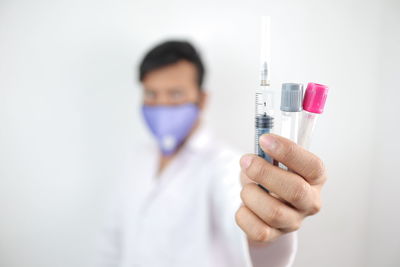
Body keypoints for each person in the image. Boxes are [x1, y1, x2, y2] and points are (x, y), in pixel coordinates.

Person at [96, 40, 326, 267]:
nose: (162, 104)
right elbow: (113, 242)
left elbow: (245, 225)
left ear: (202, 99)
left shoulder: (227, 165)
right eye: (151, 94)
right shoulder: (137, 158)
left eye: (175, 94)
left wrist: (267, 224)